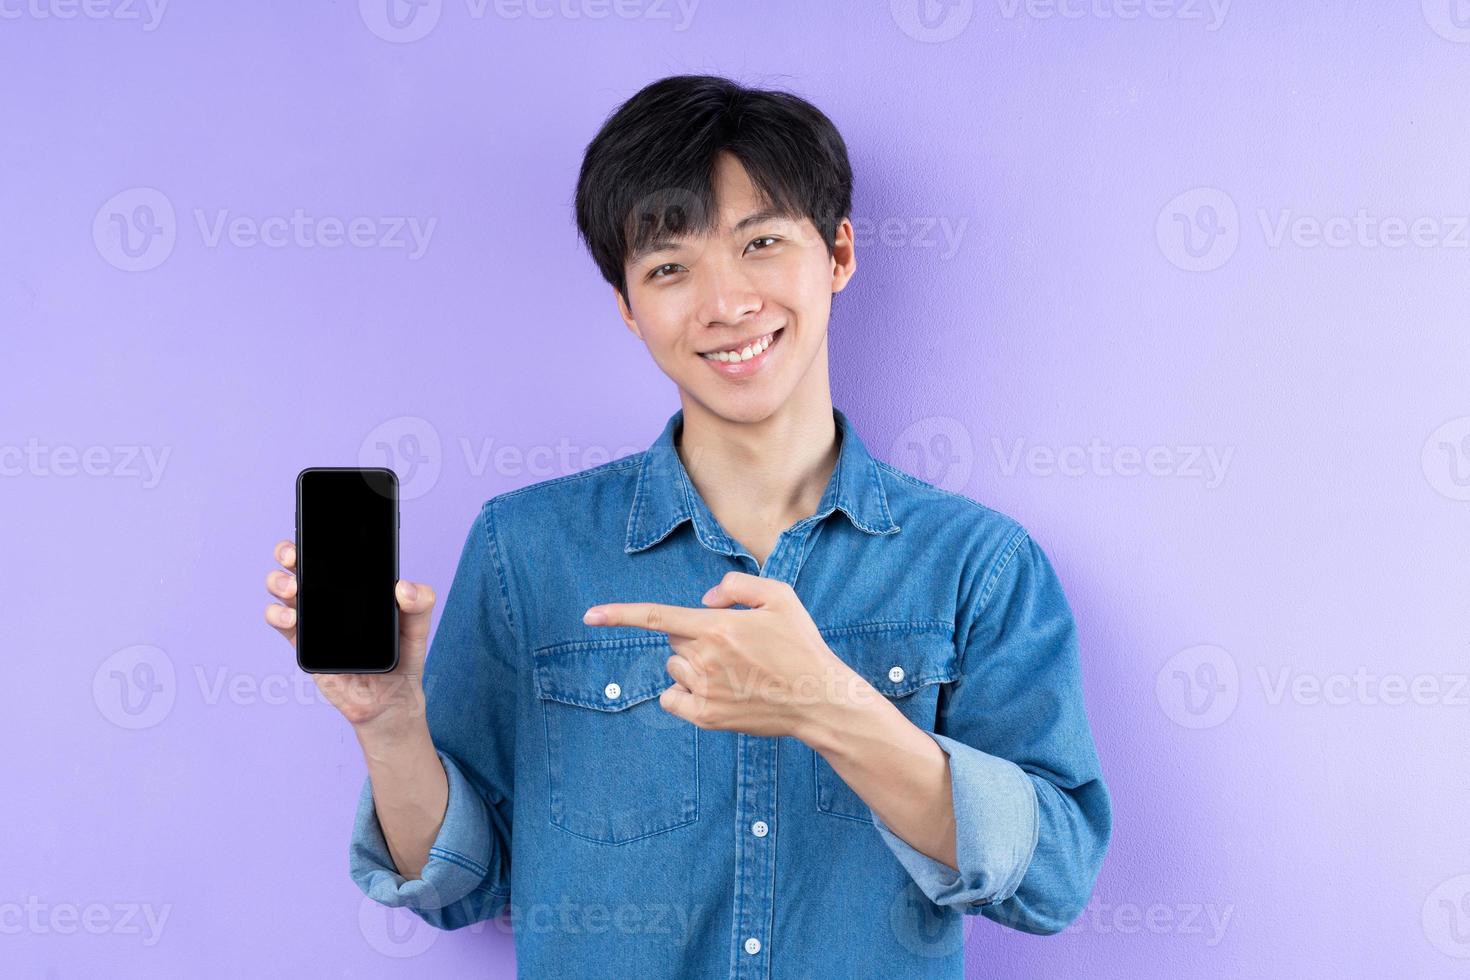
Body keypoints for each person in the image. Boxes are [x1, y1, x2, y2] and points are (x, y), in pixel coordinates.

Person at [264, 73, 1111, 978]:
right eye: (670, 267)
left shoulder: (977, 564)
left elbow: (1053, 880)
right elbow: (461, 889)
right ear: (629, 308)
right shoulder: (526, 549)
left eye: (762, 244)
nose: (725, 302)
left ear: (837, 255)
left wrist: (827, 705)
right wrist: (390, 722)